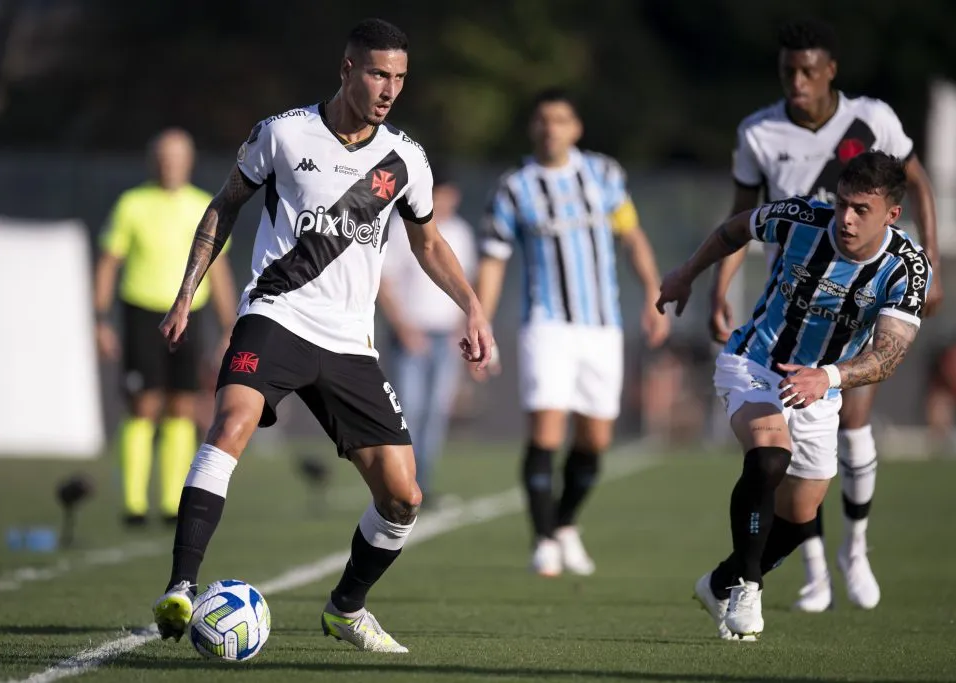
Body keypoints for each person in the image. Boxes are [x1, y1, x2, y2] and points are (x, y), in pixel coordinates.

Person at [150, 18, 494, 654]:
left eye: (399, 77)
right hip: (276, 315)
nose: (389, 89)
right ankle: (180, 588)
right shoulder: (282, 133)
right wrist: (186, 294)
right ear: (346, 69)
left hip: (349, 343)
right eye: (377, 74)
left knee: (403, 495)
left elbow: (428, 243)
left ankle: (346, 608)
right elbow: (224, 205)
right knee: (229, 426)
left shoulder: (405, 159)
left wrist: (472, 305)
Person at [707, 18, 943, 612]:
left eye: (808, 69)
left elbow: (915, 182)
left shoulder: (875, 120)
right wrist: (715, 287)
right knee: (770, 454)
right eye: (788, 69)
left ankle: (853, 551)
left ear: (830, 69)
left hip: (850, 323)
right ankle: (798, 577)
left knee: (848, 428)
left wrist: (932, 257)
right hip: (783, 307)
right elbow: (741, 217)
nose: (798, 80)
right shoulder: (759, 132)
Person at [657, 151, 931, 639]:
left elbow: (888, 355)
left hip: (821, 389)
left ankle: (719, 581)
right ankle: (746, 585)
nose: (846, 217)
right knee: (768, 458)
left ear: (891, 213)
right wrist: (687, 273)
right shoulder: (802, 217)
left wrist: (827, 378)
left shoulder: (907, 268)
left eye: (861, 210)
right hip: (754, 361)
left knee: (798, 516)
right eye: (843, 202)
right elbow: (736, 228)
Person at [474, 89, 669, 577]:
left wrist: (652, 293)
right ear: (532, 128)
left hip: (602, 325)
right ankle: (543, 539)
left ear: (576, 127)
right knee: (545, 431)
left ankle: (563, 524)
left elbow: (632, 236)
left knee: (596, 439)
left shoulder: (603, 174)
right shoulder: (514, 188)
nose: (551, 128)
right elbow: (494, 262)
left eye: (560, 119)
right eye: (542, 120)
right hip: (547, 325)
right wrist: (479, 318)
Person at [94, 128, 237, 527]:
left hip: (191, 314)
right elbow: (108, 263)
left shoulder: (203, 205)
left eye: (176, 157)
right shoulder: (132, 204)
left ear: (188, 161)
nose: (169, 164)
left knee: (183, 404)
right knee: (143, 403)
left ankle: (174, 503)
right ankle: (134, 504)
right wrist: (100, 320)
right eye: (163, 156)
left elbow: (219, 269)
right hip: (143, 311)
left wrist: (230, 326)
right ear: (151, 160)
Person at [378, 165, 477, 504]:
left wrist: (465, 326)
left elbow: (467, 284)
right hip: (412, 334)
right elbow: (385, 281)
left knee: (435, 412)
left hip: (446, 336)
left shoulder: (462, 233)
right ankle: (398, 481)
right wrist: (403, 326)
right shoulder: (403, 226)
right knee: (409, 409)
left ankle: (423, 481)